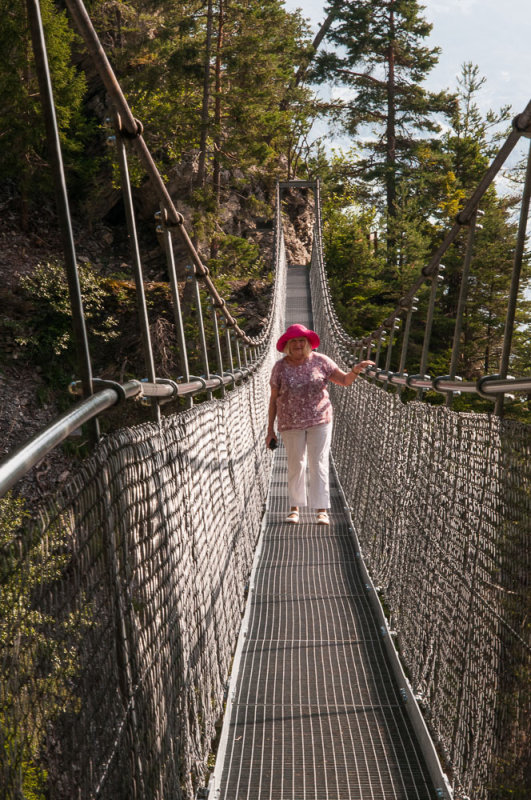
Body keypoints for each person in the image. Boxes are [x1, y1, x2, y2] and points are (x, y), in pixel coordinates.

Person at [266, 323, 375, 525]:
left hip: (320, 420)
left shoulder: (321, 361)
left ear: (308, 343)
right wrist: (269, 430)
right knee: (295, 464)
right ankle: (294, 508)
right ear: (287, 344)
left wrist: (356, 370)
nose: (298, 344)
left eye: (302, 340)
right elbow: (273, 399)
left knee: (318, 462)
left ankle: (321, 510)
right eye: (294, 341)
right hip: (290, 422)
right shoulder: (280, 367)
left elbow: (344, 381)